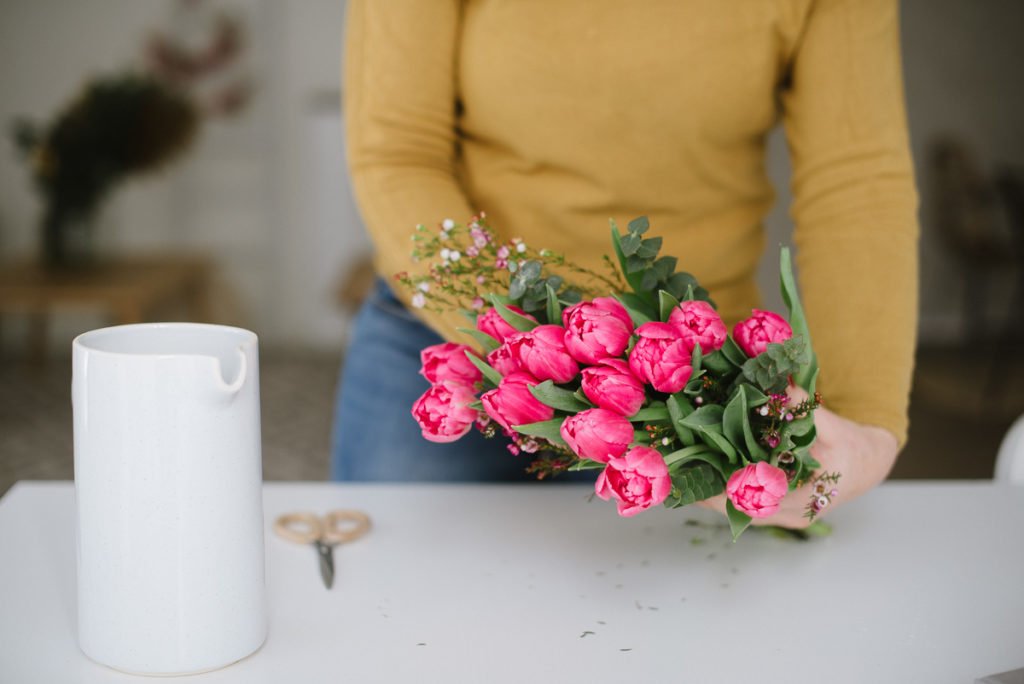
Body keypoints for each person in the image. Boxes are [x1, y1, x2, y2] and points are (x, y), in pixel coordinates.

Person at [331, 0, 918, 528]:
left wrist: (866, 418)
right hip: (461, 348)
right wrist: (535, 355)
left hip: (700, 385)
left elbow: (857, 183)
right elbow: (400, 150)